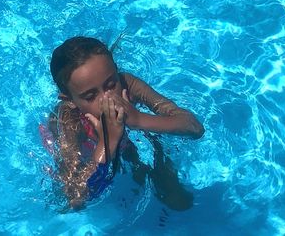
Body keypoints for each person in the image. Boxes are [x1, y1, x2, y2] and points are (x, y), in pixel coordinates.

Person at [46, 36, 204, 211]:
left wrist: (138, 119)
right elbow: (74, 198)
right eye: (91, 96)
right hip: (92, 153)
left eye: (111, 84)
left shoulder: (128, 85)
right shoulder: (68, 121)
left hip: (132, 141)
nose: (107, 99)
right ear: (70, 100)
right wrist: (109, 141)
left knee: (177, 199)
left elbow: (194, 127)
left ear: (116, 71)